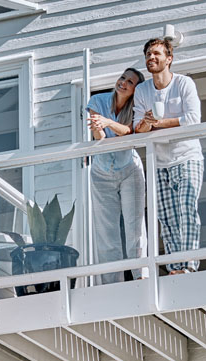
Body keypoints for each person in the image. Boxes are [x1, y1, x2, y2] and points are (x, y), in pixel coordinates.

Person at [134, 38, 203, 274]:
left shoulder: (184, 84)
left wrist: (159, 123)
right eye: (148, 55)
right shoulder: (142, 90)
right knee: (166, 217)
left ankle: (189, 265)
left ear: (169, 58)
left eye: (156, 54)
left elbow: (193, 119)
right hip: (159, 161)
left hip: (187, 156)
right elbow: (137, 128)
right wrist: (146, 123)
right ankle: (175, 267)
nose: (151, 58)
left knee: (186, 209)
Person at [86, 68, 148, 283]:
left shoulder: (137, 106)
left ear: (135, 90)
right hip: (102, 172)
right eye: (123, 78)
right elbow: (100, 136)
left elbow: (131, 131)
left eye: (129, 82)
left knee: (135, 227)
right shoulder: (97, 100)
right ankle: (112, 283)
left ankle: (142, 276)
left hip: (129, 168)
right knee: (106, 230)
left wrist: (109, 123)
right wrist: (99, 127)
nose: (123, 83)